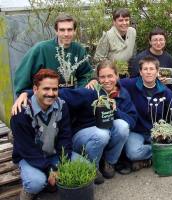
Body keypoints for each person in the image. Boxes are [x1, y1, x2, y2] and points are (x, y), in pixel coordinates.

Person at [11, 60, 137, 180]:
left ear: (117, 76)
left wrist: (115, 111)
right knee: (102, 134)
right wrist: (26, 93)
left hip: (104, 132)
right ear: (97, 78)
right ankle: (94, 167)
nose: (107, 80)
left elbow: (132, 120)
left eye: (110, 76)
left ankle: (109, 162)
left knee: (122, 126)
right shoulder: (90, 92)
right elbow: (56, 93)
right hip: (85, 134)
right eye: (102, 77)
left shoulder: (123, 95)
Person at [10, 69, 74, 200]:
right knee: (36, 183)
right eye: (46, 89)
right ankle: (28, 192)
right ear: (35, 89)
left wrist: (63, 162)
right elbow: (27, 149)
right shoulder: (21, 112)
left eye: (55, 89)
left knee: (83, 167)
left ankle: (51, 183)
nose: (51, 94)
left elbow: (65, 137)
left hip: (54, 153)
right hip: (30, 157)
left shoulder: (62, 106)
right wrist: (50, 169)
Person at [120, 56, 172, 171]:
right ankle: (163, 152)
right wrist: (94, 80)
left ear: (157, 71)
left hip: (158, 131)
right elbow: (112, 81)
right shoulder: (131, 85)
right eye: (145, 69)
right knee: (133, 153)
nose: (148, 72)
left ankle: (148, 158)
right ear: (140, 72)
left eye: (152, 69)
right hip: (137, 130)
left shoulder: (165, 91)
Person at [14, 13, 94, 96]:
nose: (66, 34)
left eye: (69, 29)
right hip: (47, 98)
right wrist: (24, 93)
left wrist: (80, 91)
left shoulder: (78, 49)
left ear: (74, 31)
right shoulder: (41, 49)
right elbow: (23, 75)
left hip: (71, 97)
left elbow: (86, 74)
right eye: (62, 30)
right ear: (56, 31)